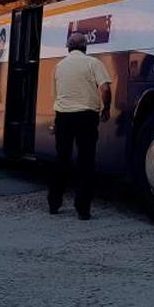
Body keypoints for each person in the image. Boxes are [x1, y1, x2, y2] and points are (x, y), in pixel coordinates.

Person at [49, 31, 111, 220]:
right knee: (86, 162)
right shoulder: (93, 63)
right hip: (86, 117)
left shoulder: (58, 66)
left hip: (63, 116)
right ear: (85, 47)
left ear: (68, 48)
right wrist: (106, 108)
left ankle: (54, 203)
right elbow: (105, 88)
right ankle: (83, 209)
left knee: (62, 159)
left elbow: (56, 95)